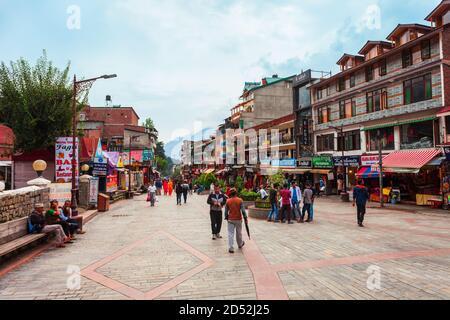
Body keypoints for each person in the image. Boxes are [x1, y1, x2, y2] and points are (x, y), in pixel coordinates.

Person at [224, 189, 248, 254]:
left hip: (230, 219)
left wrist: (226, 217)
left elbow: (226, 211)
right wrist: (245, 218)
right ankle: (240, 244)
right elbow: (243, 211)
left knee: (230, 234)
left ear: (230, 194)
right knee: (239, 233)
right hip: (238, 219)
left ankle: (231, 247)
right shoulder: (240, 200)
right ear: (236, 193)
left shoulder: (228, 201)